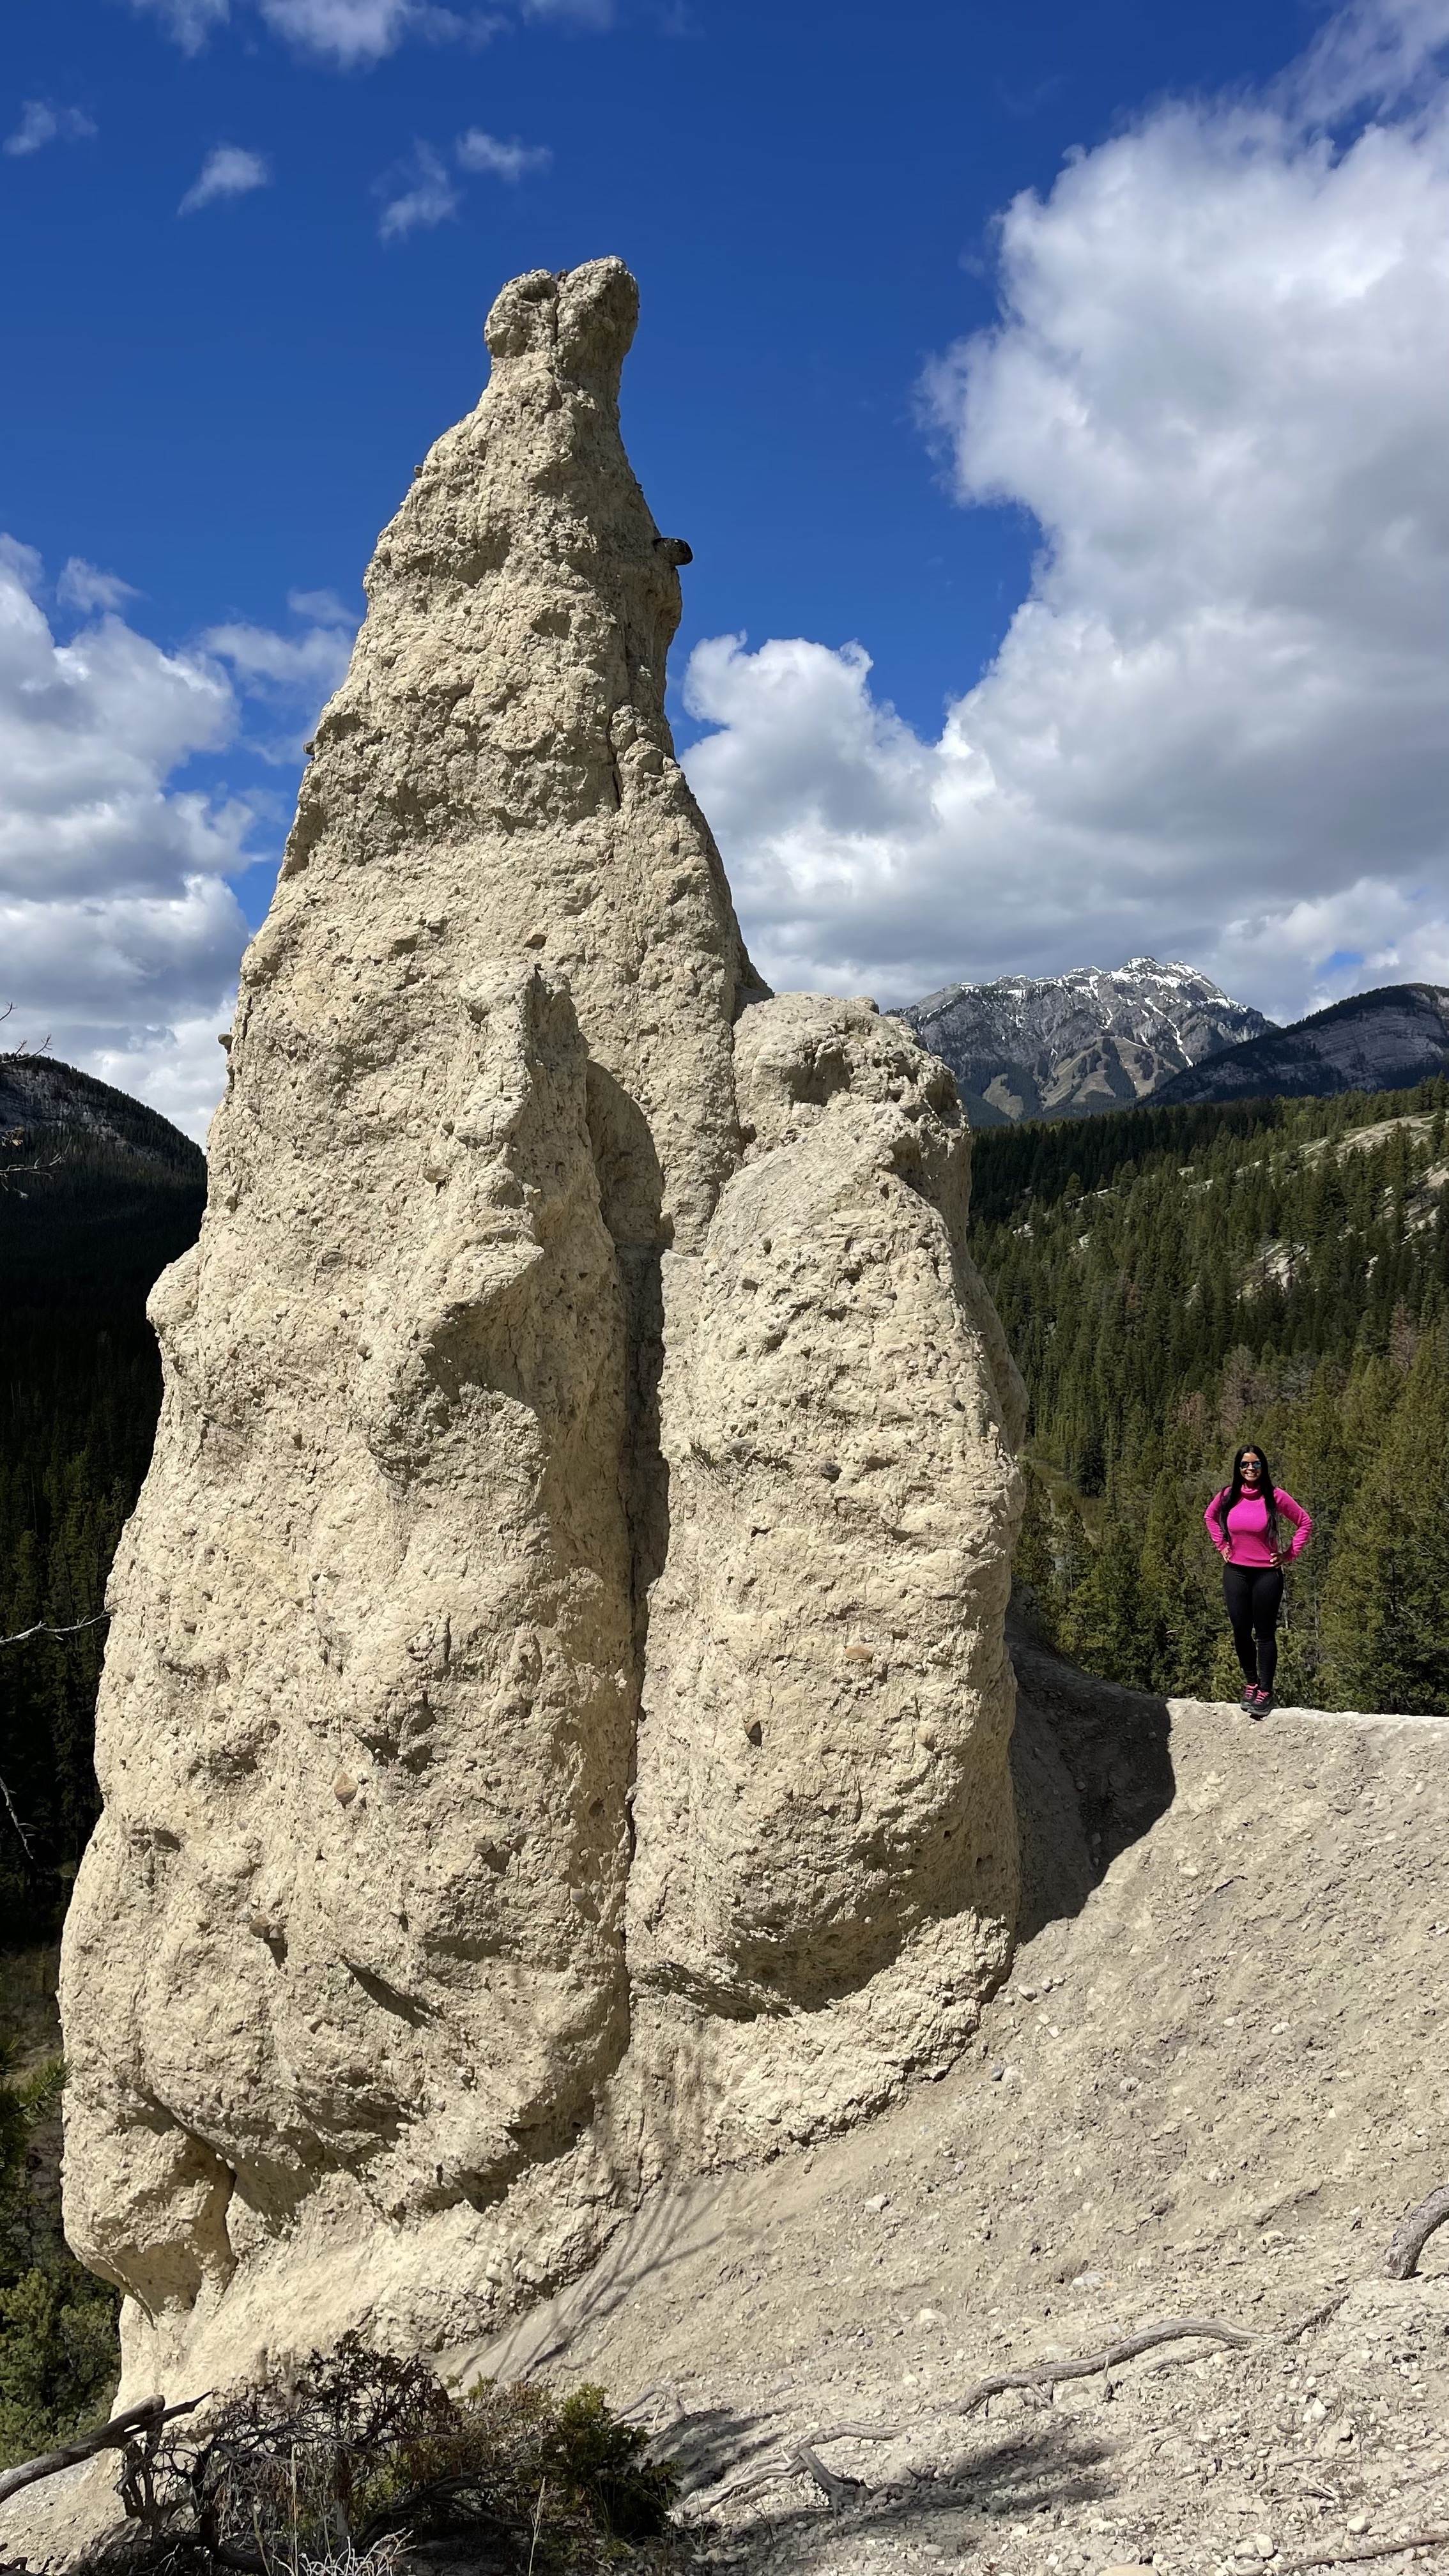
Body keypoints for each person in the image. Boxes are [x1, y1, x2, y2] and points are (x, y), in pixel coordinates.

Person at [1204, 1445, 1312, 1717]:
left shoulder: (1275, 1497)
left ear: (1263, 1467)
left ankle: (1265, 1690)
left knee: (1264, 1634)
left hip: (1266, 1573)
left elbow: (1305, 1522)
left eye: (1255, 1464)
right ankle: (1251, 1684)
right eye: (1244, 1465)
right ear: (1238, 1469)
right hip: (1236, 1572)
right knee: (1241, 1630)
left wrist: (1289, 1554)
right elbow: (1209, 1517)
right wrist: (1222, 1545)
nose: (1250, 1469)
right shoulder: (1228, 1495)